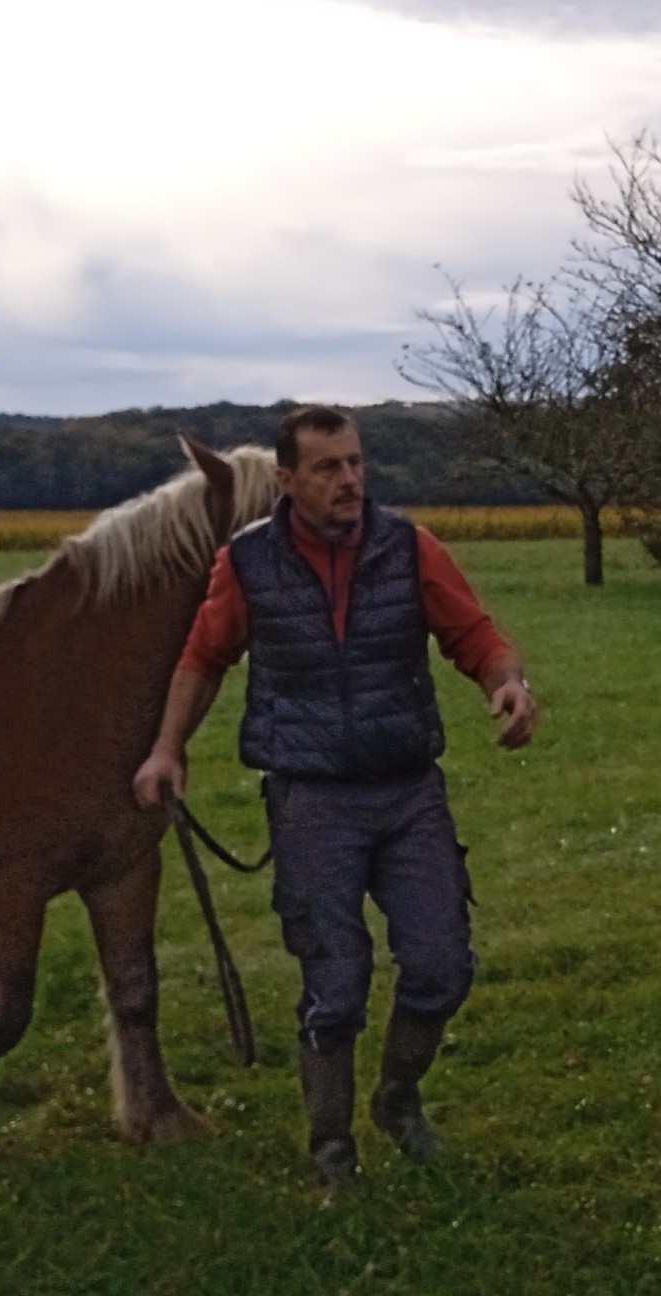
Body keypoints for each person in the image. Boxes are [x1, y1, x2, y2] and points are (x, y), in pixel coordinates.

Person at [133, 403, 536, 1185]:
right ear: (286, 480)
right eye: (328, 467)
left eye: (355, 462)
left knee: (441, 966)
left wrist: (509, 684)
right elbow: (203, 657)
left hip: (407, 790)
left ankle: (397, 1097)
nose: (349, 479)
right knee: (336, 984)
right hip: (312, 800)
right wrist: (167, 749)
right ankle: (331, 1144)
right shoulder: (247, 563)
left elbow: (475, 636)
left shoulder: (410, 547)